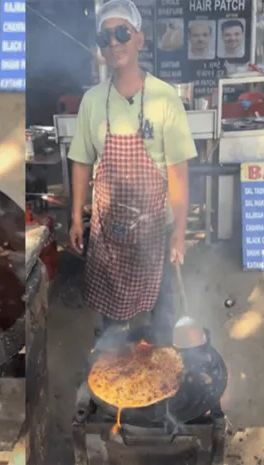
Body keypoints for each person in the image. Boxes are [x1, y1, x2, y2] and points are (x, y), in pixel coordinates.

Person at [68, 0, 196, 343]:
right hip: (109, 234)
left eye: (122, 32)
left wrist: (180, 232)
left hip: (157, 229)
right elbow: (81, 161)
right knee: (112, 325)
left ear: (139, 38)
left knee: (163, 317)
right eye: (105, 36)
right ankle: (115, 368)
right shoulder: (93, 101)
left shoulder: (164, 98)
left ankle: (162, 377)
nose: (113, 42)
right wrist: (76, 217)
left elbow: (178, 172)